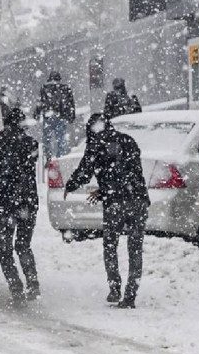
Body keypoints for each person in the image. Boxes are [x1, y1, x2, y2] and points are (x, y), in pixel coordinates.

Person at [63, 114, 150, 309]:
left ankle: (114, 288)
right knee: (135, 249)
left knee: (110, 245)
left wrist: (71, 185)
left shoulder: (95, 145)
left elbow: (85, 171)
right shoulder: (127, 140)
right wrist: (106, 190)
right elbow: (131, 174)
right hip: (138, 200)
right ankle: (130, 295)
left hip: (115, 203)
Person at [0, 108, 40, 305]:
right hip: (28, 200)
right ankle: (33, 282)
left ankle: (16, 287)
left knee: (4, 248)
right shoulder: (31, 143)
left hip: (6, 203)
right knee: (23, 244)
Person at [36, 71, 75, 162]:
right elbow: (71, 104)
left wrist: (37, 113)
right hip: (61, 116)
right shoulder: (65, 88)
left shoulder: (44, 88)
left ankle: (48, 157)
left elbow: (39, 102)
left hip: (48, 116)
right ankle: (60, 158)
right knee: (60, 138)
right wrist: (71, 116)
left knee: (47, 139)